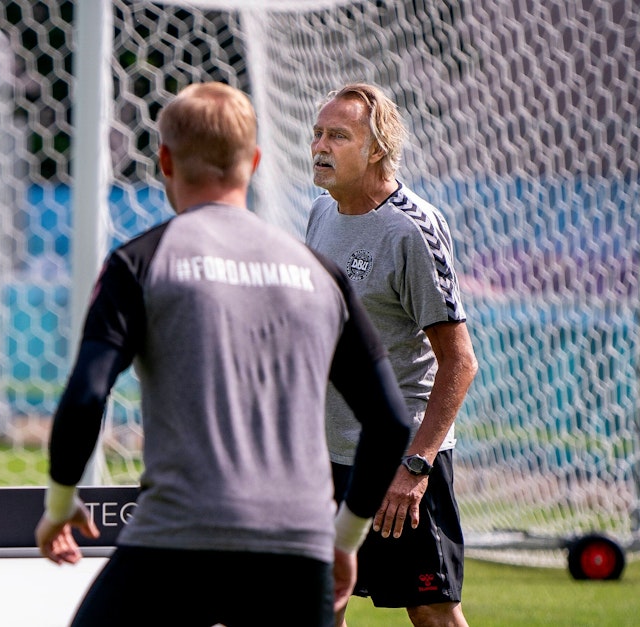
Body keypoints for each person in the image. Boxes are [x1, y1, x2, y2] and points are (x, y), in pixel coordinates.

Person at [33, 82, 415, 626]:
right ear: (254, 162)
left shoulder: (141, 262)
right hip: (296, 555)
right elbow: (391, 422)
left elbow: (86, 395)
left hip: (176, 543)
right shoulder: (318, 274)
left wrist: (59, 503)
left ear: (165, 161)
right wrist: (344, 537)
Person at [306, 82, 479, 627]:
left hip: (400, 464)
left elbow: (459, 362)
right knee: (320, 604)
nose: (320, 147)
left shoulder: (411, 230)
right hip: (328, 459)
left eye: (338, 136)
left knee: (431, 612)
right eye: (318, 133)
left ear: (377, 147)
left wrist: (416, 466)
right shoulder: (320, 214)